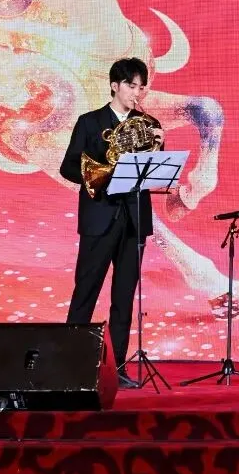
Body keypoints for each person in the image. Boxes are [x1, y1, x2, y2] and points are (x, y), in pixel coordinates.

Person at [60, 57, 164, 389]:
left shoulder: (148, 124)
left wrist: (158, 148)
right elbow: (68, 167)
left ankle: (117, 369)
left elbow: (154, 174)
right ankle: (71, 367)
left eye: (141, 87)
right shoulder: (90, 122)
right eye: (131, 86)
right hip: (99, 216)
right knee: (85, 293)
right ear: (114, 86)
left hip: (134, 220)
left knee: (124, 298)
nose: (137, 93)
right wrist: (103, 172)